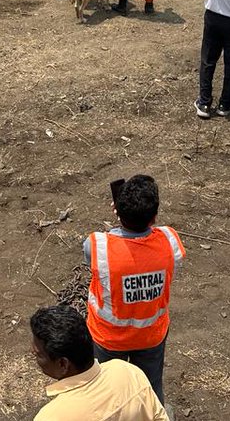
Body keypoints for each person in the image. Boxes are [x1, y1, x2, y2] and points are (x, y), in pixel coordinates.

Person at [82, 174, 184, 405]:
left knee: (108, 394)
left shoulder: (98, 246)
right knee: (149, 389)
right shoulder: (170, 241)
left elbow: (97, 259)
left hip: (108, 338)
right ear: (155, 215)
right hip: (151, 336)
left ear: (117, 211)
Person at [30, 305, 167, 421]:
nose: (33, 353)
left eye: (38, 354)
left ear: (63, 364)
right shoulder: (128, 372)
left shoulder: (49, 416)